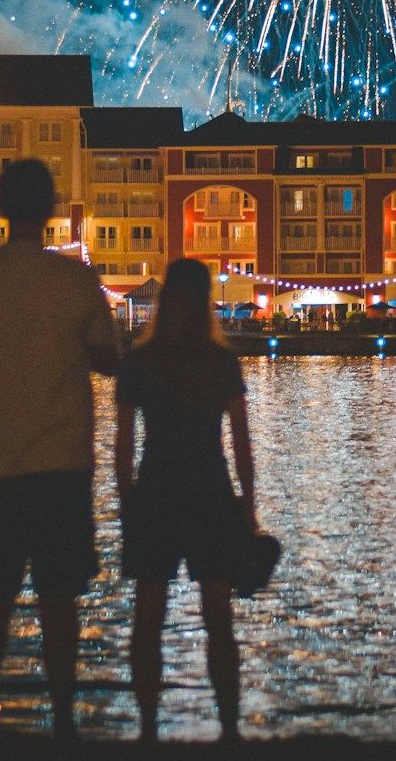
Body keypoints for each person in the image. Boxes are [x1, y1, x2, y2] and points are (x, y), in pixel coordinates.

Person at [0, 158, 119, 739]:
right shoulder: (77, 281)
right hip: (63, 462)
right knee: (60, 597)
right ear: (53, 210)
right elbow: (109, 358)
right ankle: (63, 719)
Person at [115, 258, 258, 743]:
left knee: (148, 618)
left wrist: (126, 500)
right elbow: (240, 442)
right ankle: (230, 729)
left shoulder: (139, 360)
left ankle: (150, 729)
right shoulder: (221, 362)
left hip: (154, 492)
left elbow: (122, 444)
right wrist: (249, 505)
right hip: (211, 494)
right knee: (219, 619)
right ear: (206, 302)